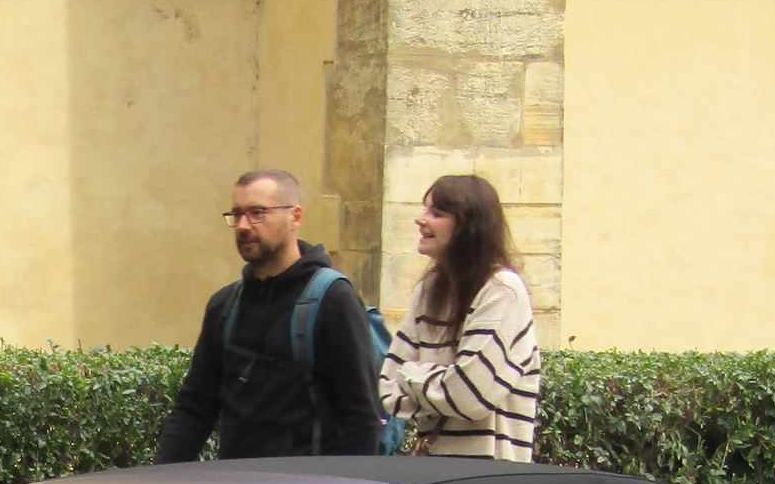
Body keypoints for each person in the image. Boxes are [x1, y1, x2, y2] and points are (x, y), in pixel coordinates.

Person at [154, 170, 387, 463]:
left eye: (257, 213)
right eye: (236, 214)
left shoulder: (333, 299)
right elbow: (195, 408)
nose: (243, 226)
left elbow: (360, 417)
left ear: (295, 217)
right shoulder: (225, 306)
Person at [380, 173, 541, 461]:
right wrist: (443, 382)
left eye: (436, 213)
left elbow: (469, 396)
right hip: (433, 476)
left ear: (470, 227)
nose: (420, 219)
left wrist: (414, 373)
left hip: (488, 480)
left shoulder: (502, 291)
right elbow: (388, 388)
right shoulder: (429, 291)